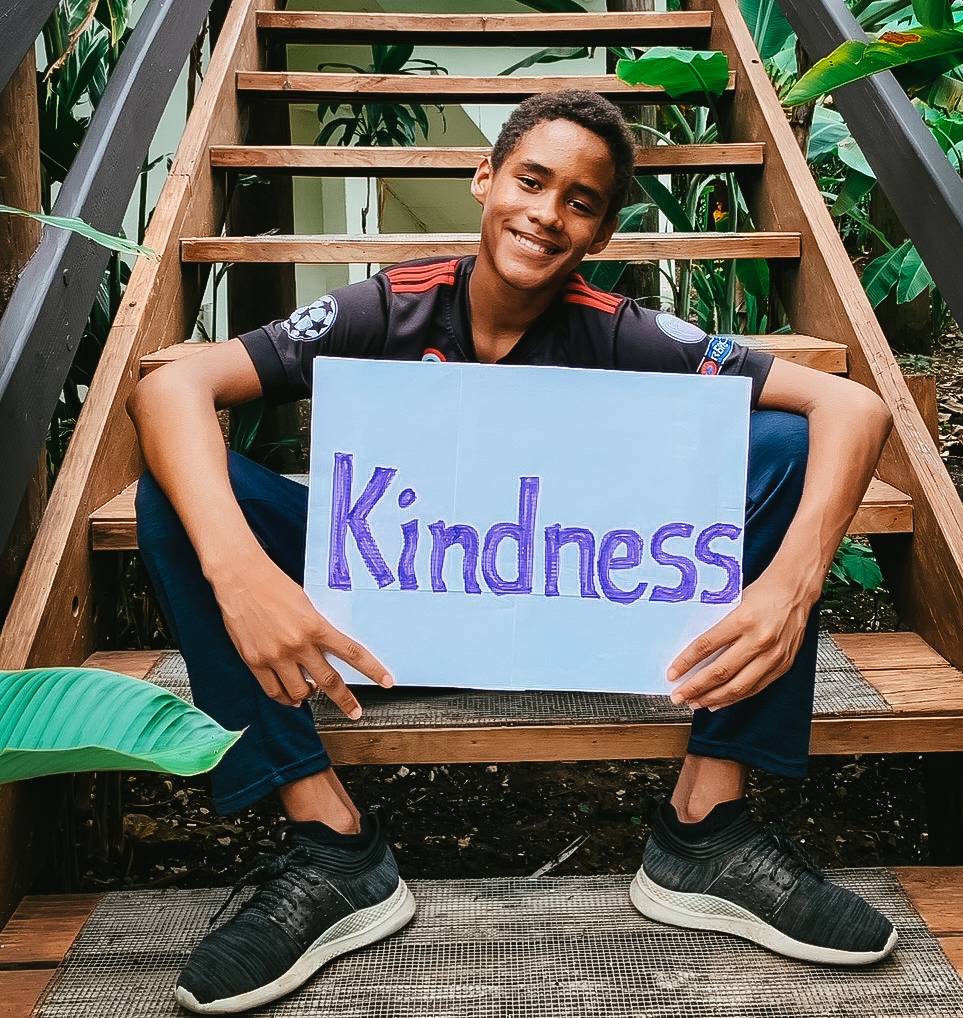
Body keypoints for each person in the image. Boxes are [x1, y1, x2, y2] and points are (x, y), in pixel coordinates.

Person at [127, 89, 896, 1014]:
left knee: (785, 445)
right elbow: (173, 388)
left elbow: (853, 407)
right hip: (375, 614)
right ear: (485, 178)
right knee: (175, 491)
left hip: (557, 605)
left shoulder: (618, 329)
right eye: (531, 180)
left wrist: (791, 587)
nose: (547, 213)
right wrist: (243, 571)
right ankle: (328, 846)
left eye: (580, 201)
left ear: (602, 233)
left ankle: (707, 830)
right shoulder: (389, 307)